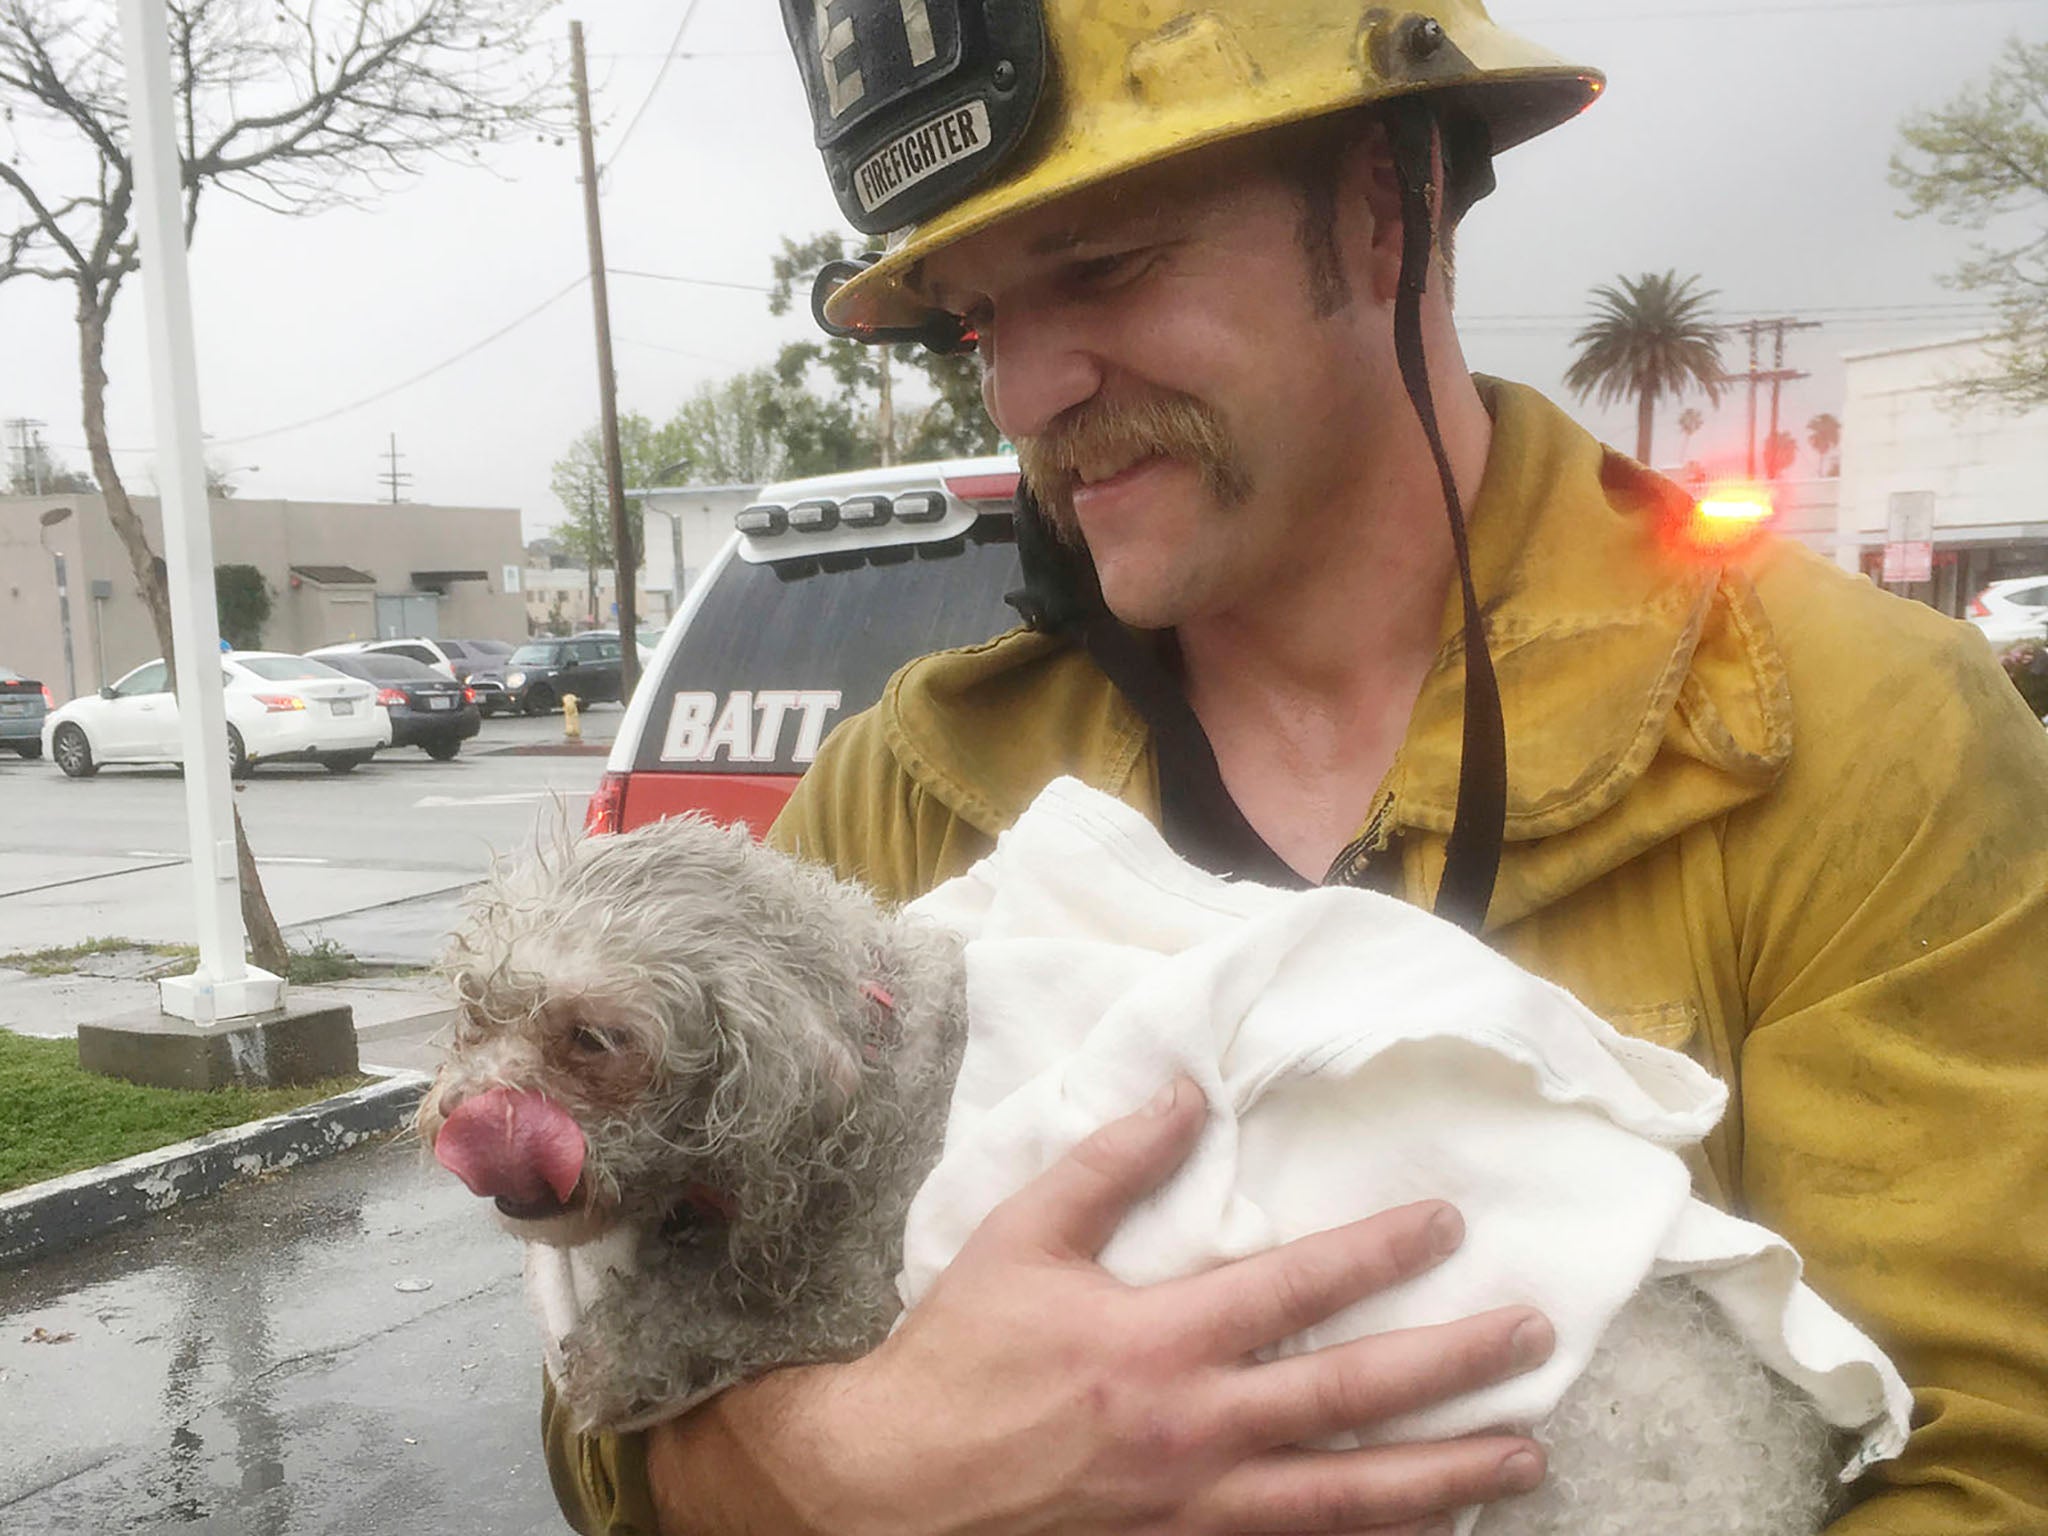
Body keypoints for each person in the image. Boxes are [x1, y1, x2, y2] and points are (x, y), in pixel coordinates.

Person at [545, 2, 2048, 1531]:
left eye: (1102, 265)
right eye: (979, 320)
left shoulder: (1842, 734)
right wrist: (838, 1466)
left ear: (1385, 206)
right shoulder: (905, 795)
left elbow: (1988, 1462)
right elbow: (605, 1405)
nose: (1025, 393)